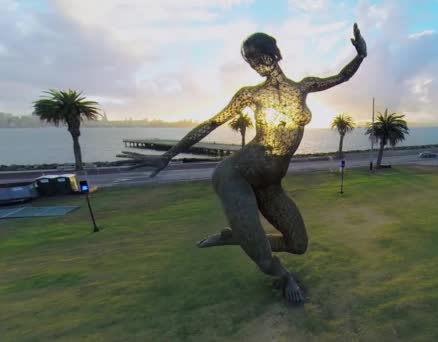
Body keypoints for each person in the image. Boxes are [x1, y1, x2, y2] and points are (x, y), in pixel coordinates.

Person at [118, 24, 367, 304]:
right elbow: (211, 123)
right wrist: (168, 155)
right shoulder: (250, 94)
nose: (256, 64)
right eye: (250, 60)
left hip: (271, 185)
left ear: (274, 55)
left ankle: (236, 236)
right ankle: (285, 278)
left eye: (259, 56)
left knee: (298, 244)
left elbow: (341, 77)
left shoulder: (304, 86)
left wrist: (360, 55)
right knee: (262, 257)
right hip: (236, 176)